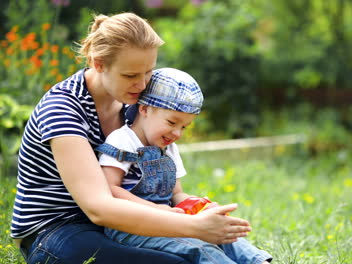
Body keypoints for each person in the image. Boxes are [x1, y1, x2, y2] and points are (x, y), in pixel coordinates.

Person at [11, 12, 252, 264]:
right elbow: (99, 208)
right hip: (58, 232)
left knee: (207, 250)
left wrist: (194, 212)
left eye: (148, 72)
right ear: (99, 63)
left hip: (120, 224)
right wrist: (191, 226)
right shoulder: (63, 109)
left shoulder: (134, 107)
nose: (142, 84)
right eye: (130, 75)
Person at [95, 67, 272, 264]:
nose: (177, 133)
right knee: (200, 248)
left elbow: (176, 194)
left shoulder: (168, 147)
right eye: (172, 122)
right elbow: (110, 189)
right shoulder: (122, 141)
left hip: (170, 221)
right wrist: (156, 209)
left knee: (225, 236)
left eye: (184, 127)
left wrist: (198, 206)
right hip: (131, 227)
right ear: (144, 109)